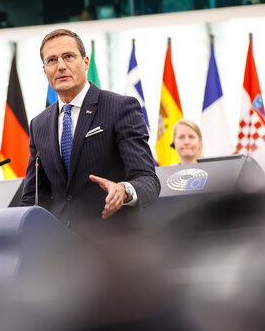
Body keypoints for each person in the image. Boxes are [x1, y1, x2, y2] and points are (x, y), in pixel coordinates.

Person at [19, 29, 160, 233]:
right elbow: (33, 197)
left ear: (85, 62)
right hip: (59, 250)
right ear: (45, 70)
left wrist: (123, 190)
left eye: (68, 56)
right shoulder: (38, 124)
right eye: (52, 60)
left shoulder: (120, 107)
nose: (61, 66)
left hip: (113, 245)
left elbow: (148, 181)